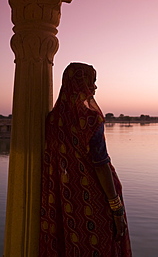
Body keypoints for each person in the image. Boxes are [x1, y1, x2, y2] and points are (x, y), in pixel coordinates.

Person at [39, 62, 132, 256]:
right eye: (92, 82)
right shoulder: (90, 119)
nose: (95, 87)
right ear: (81, 84)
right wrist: (116, 208)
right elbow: (100, 164)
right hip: (94, 199)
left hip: (65, 199)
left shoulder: (53, 120)